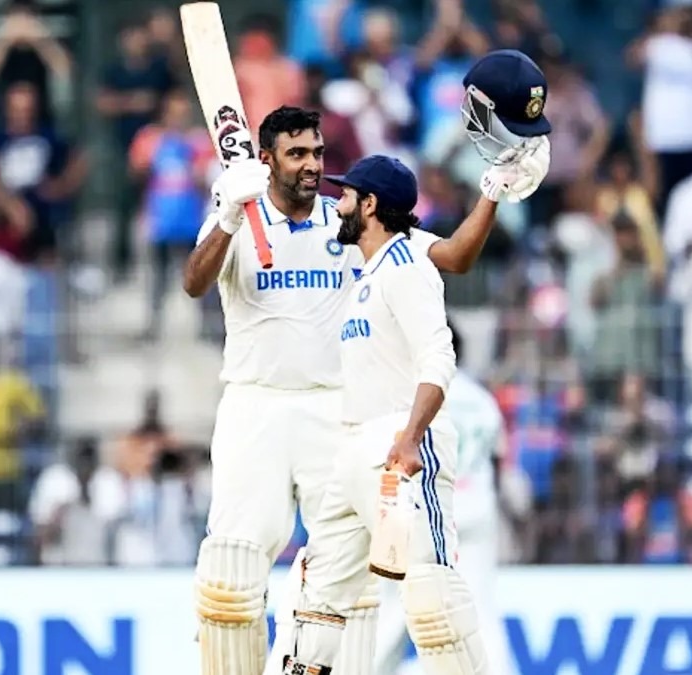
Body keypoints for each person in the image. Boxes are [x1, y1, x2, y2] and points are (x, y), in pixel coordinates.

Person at [186, 49, 551, 675]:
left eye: (318, 154)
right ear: (266, 158)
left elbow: (453, 257)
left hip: (339, 411)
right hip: (256, 403)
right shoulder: (239, 216)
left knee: (348, 589)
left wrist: (493, 191)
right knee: (231, 577)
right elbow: (194, 284)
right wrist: (223, 217)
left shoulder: (354, 224)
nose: (311, 166)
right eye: (297, 154)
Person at [275, 155, 483, 674]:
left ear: (369, 205)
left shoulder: (408, 266)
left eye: (346, 196)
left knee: (432, 596)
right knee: (318, 596)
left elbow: (439, 358)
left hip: (400, 448)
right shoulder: (369, 269)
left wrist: (411, 437)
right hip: (353, 455)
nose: (337, 202)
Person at [371, 320, 512, 674]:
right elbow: (496, 460)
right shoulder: (483, 400)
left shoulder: (417, 397)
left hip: (426, 507)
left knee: (397, 608)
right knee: (480, 607)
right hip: (477, 507)